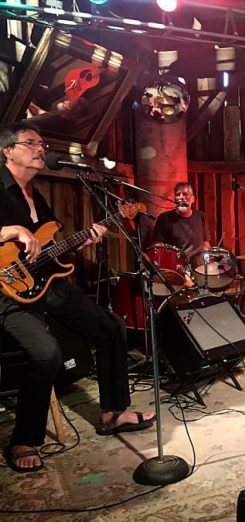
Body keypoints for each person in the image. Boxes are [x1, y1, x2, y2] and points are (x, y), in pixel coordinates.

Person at [0, 122, 155, 473]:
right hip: (6, 292)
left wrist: (84, 238)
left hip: (46, 285)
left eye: (42, 143)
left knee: (112, 326)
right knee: (47, 353)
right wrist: (11, 229)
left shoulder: (35, 196)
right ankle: (24, 439)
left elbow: (51, 249)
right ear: (7, 151)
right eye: (31, 143)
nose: (40, 149)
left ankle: (114, 412)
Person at [150, 182, 212, 287]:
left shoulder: (201, 217)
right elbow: (158, 247)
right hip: (176, 269)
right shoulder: (164, 218)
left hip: (199, 267)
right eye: (178, 194)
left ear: (193, 199)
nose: (181, 197)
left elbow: (206, 244)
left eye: (185, 194)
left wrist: (210, 261)